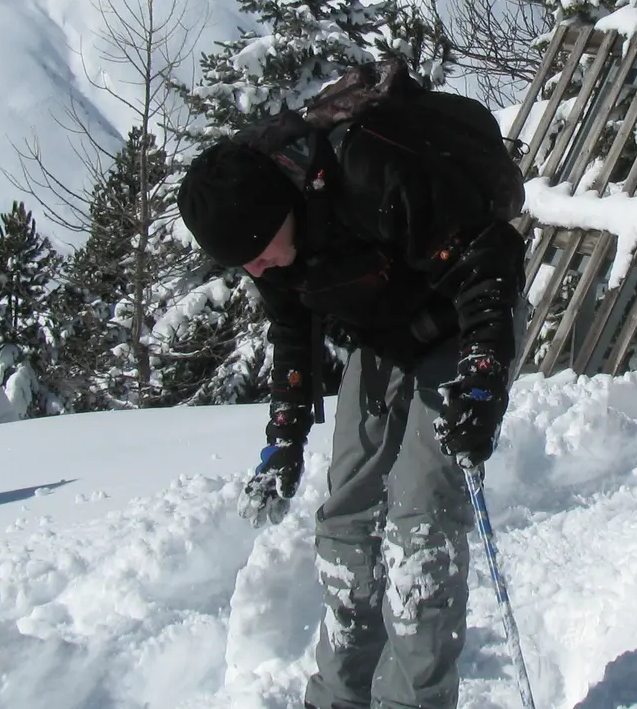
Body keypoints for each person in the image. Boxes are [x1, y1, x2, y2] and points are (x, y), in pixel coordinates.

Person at [177, 99, 524, 709]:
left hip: (465, 324)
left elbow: (487, 257)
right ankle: (339, 697)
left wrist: (482, 377)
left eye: (257, 252)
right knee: (345, 517)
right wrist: (284, 439)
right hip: (386, 334)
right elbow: (292, 332)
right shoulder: (269, 242)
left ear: (278, 210)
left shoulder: (371, 172)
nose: (256, 269)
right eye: (244, 263)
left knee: (421, 522)